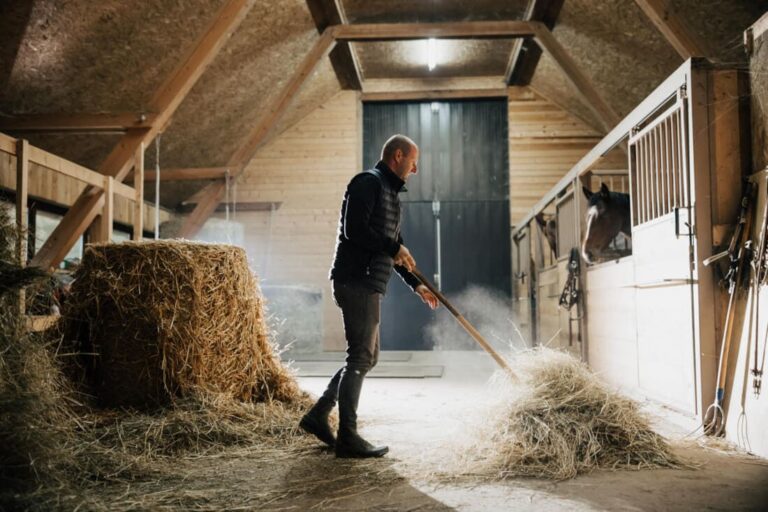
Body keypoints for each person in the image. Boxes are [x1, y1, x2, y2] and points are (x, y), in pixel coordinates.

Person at [299, 134, 439, 458]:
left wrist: (415, 283)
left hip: (368, 283)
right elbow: (355, 230)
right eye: (413, 161)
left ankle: (319, 414)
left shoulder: (390, 195)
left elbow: (393, 249)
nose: (415, 169)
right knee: (360, 357)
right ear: (399, 155)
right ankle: (347, 436)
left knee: (366, 357)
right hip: (355, 280)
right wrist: (394, 247)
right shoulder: (367, 182)